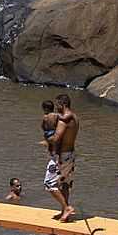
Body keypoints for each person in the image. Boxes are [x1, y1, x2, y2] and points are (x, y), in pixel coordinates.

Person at [45, 94, 79, 222]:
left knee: (49, 183)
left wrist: (47, 138)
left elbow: (56, 138)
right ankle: (64, 211)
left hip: (61, 157)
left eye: (58, 105)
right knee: (65, 184)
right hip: (70, 154)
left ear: (63, 104)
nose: (56, 108)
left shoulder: (64, 120)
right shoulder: (75, 117)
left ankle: (67, 207)